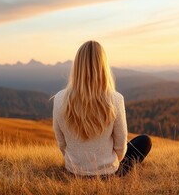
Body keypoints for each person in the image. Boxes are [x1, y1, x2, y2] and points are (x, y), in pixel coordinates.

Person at [52, 40, 152, 177]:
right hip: (108, 174)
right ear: (103, 66)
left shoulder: (59, 99)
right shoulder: (115, 99)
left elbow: (62, 144)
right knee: (144, 141)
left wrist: (79, 162)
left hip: (74, 171)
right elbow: (120, 147)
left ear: (77, 66)